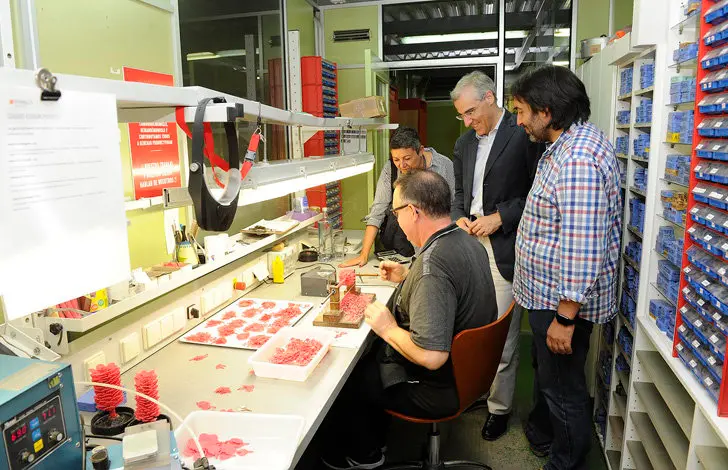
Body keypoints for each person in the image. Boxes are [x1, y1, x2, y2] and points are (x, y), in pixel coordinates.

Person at [322, 170, 498, 469]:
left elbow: (431, 356)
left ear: (414, 211)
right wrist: (408, 276)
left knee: (350, 377)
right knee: (372, 357)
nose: (396, 219)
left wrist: (388, 328)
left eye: (396, 211)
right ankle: (379, 438)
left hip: (439, 388)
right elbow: (448, 287)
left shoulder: (433, 267)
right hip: (471, 372)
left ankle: (365, 456)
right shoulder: (464, 241)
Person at [511, 65, 622, 470]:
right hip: (550, 299)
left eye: (522, 111)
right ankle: (554, 442)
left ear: (546, 110)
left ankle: (566, 463)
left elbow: (582, 246)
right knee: (555, 383)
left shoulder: (576, 161)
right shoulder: (570, 146)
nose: (519, 121)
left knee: (563, 392)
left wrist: (564, 316)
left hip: (560, 305)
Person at [450, 70, 542, 441]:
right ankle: (476, 392)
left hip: (505, 247)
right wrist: (459, 218)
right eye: (462, 116)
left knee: (501, 337)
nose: (468, 122)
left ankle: (499, 408)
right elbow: (459, 193)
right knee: (470, 327)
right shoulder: (463, 144)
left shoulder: (523, 134)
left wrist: (499, 218)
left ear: (490, 97)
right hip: (468, 244)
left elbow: (537, 194)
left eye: (471, 112)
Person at [339, 127, 455, 267]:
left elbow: (452, 209)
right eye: (396, 159)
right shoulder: (391, 169)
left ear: (420, 150)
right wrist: (364, 254)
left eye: (407, 158)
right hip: (403, 244)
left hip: (437, 243)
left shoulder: (444, 166)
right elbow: (378, 211)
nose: (402, 165)